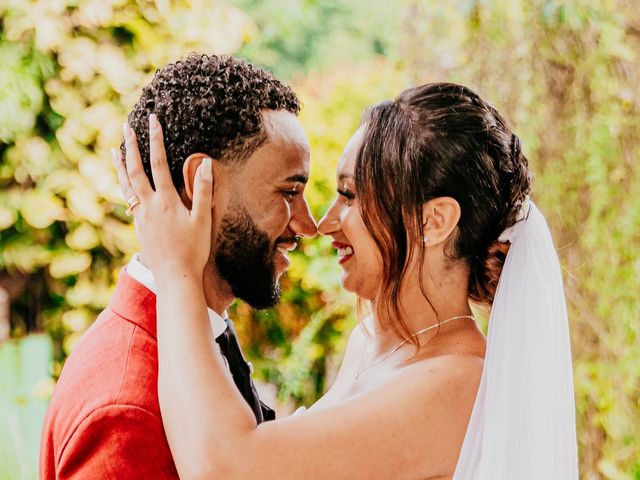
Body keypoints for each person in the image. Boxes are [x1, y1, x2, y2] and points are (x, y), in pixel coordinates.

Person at [118, 82, 579, 478]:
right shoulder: (373, 343)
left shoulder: (459, 385)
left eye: (350, 196)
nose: (325, 222)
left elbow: (225, 467)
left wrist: (176, 268)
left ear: (433, 220)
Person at [39, 53, 316, 479]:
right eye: (288, 192)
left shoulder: (189, 342)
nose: (308, 225)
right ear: (199, 183)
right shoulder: (126, 408)